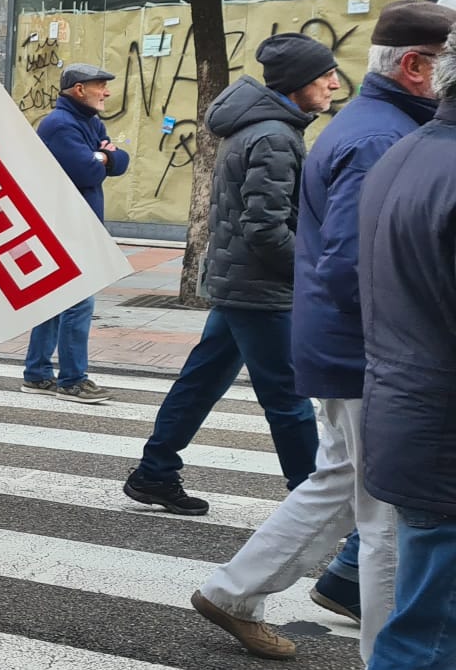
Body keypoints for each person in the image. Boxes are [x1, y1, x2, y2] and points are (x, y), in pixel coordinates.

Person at [190, 2, 454, 661]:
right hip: (370, 354)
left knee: (340, 484)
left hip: (348, 345)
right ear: (418, 67)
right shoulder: (380, 138)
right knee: (384, 514)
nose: (332, 83)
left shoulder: (374, 127)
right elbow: (349, 266)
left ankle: (232, 592)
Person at [326, 30, 456, 670]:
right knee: (432, 623)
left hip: (407, 406)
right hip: (442, 421)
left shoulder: (408, 153)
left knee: (437, 611)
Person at [124, 35, 330, 516]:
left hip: (241, 283)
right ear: (299, 83)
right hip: (260, 290)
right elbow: (264, 228)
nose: (333, 84)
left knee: (202, 380)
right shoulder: (276, 137)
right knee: (289, 397)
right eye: (324, 76)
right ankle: (314, 503)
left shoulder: (259, 128)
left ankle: (155, 471)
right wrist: (310, 272)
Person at [24, 63, 129, 404]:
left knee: (56, 301)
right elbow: (87, 172)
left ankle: (38, 373)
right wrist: (102, 156)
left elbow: (121, 161)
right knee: (79, 302)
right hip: (64, 225)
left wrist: (102, 157)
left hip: (78, 224)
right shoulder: (58, 125)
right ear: (79, 89)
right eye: (101, 85)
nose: (107, 92)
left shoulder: (90, 121)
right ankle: (72, 379)